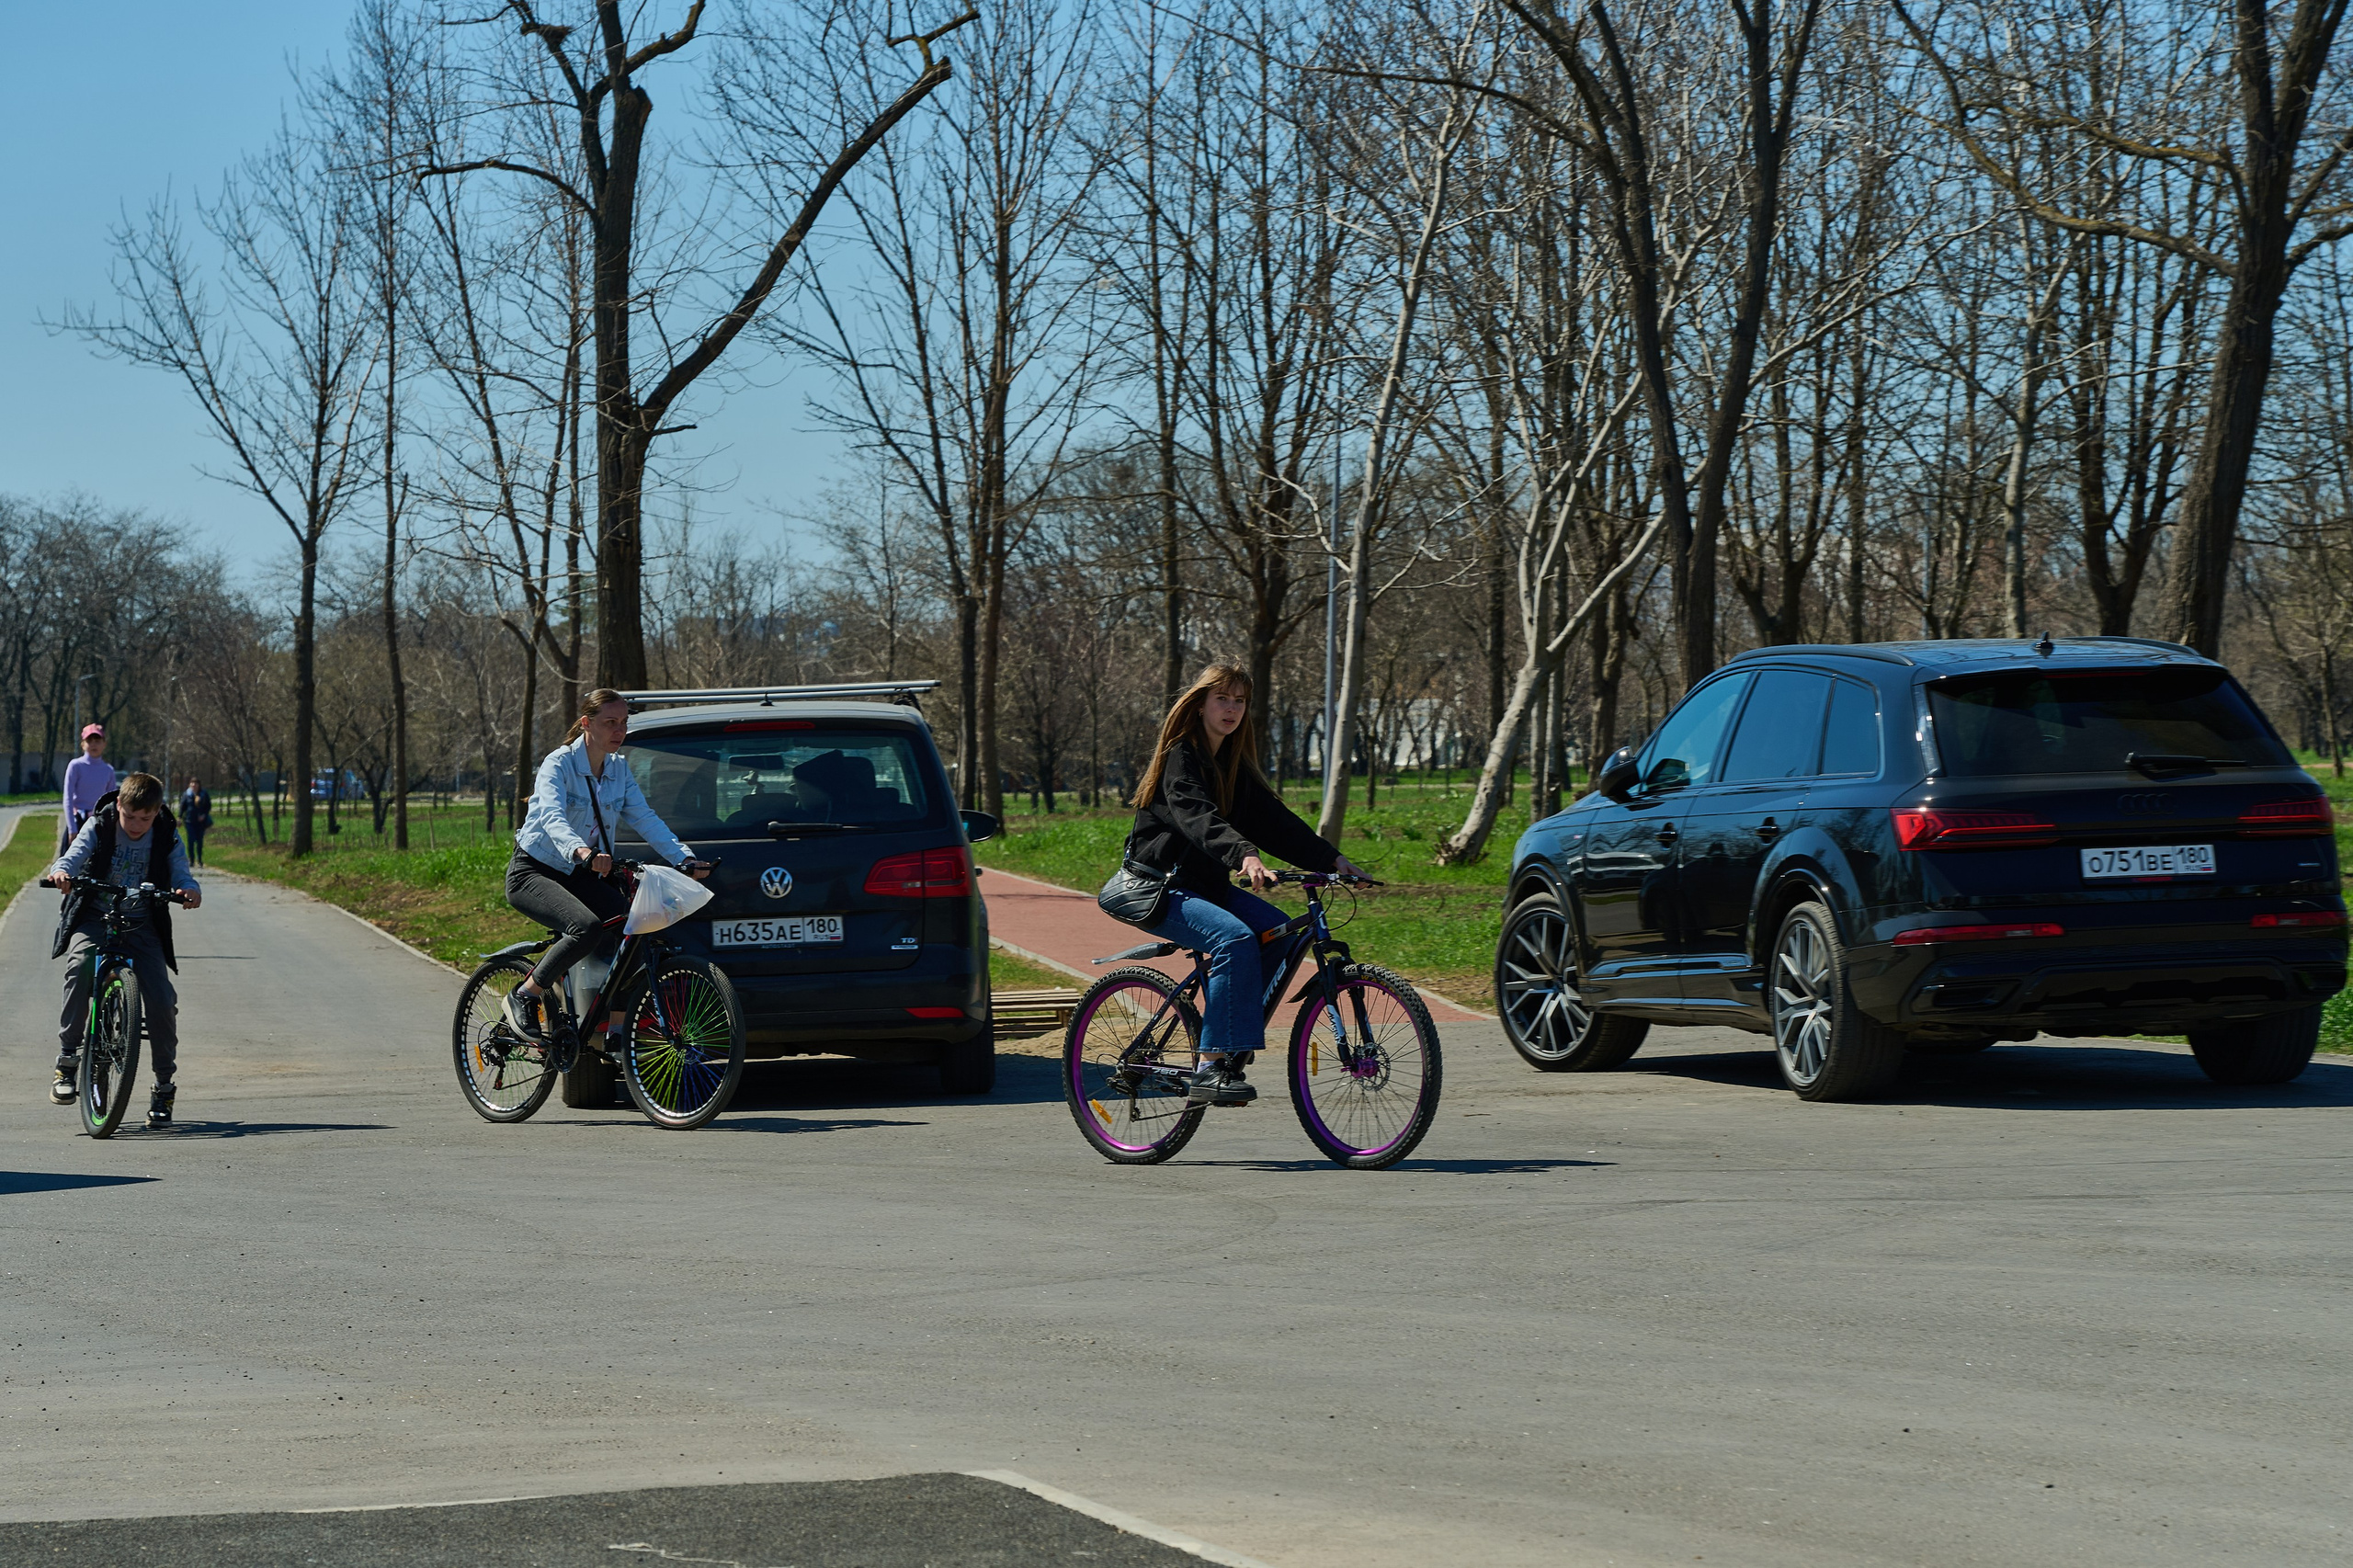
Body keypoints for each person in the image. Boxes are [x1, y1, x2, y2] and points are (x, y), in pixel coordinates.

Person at [1122, 662, 1367, 1107]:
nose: (1232, 709)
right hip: (1159, 886)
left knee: (1277, 935)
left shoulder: (1232, 763)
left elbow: (1276, 824)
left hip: (1205, 886)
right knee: (1234, 939)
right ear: (1200, 704)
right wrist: (1244, 854)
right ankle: (1211, 1067)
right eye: (1223, 699)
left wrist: (1333, 860)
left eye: (1240, 701)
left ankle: (1230, 1034)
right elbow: (1197, 816)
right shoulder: (1181, 755)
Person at [504, 688, 710, 1045]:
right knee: (585, 927)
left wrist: (683, 858)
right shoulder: (559, 764)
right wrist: (581, 851)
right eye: (610, 722)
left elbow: (645, 817)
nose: (619, 730)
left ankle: (617, 1029)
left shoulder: (618, 769)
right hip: (535, 870)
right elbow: (552, 818)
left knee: (634, 928)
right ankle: (526, 994)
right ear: (587, 724)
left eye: (624, 722)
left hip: (581, 872)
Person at [42, 772, 202, 1127]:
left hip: (142, 925)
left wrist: (189, 890)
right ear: (119, 806)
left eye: (145, 818)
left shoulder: (165, 833)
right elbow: (74, 854)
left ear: (156, 812)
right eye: (130, 816)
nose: (136, 824)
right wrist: (61, 873)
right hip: (96, 917)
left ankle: (163, 1086)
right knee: (80, 966)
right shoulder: (101, 824)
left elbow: (181, 871)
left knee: (162, 1001)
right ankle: (67, 1060)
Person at [61, 723, 115, 856]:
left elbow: (112, 801)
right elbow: (68, 798)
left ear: (104, 744)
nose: (93, 745)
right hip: (77, 820)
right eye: (89, 741)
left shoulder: (108, 770)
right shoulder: (76, 766)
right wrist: (72, 829)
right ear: (83, 744)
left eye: (97, 741)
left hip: (97, 822)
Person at [179, 777, 213, 866]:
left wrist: (204, 815)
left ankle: (200, 859)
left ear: (199, 785)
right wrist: (179, 817)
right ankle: (191, 860)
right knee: (190, 840)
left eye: (196, 783)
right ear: (190, 784)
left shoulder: (203, 794)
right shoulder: (187, 794)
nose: (194, 785)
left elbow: (208, 806)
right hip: (189, 821)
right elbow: (182, 806)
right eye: (192, 783)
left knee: (199, 841)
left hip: (200, 822)